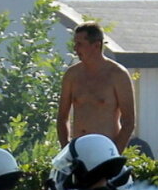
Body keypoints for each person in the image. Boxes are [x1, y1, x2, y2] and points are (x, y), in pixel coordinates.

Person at [57, 22, 136, 152]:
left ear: (96, 45)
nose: (75, 48)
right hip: (78, 150)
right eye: (75, 44)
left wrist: (113, 153)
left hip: (105, 150)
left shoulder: (118, 75)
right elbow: (62, 117)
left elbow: (129, 121)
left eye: (80, 44)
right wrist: (66, 149)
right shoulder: (72, 75)